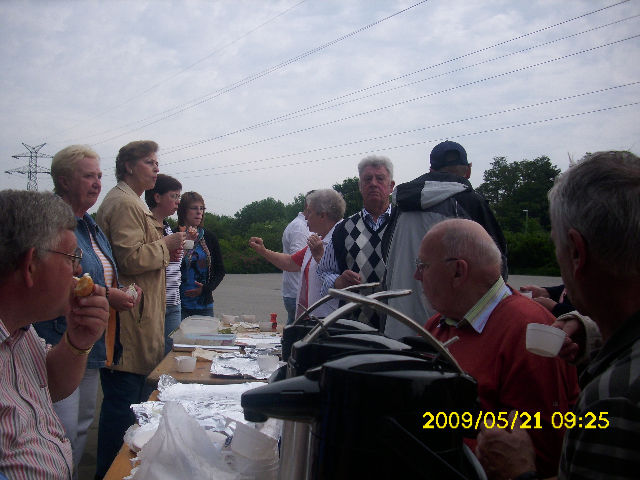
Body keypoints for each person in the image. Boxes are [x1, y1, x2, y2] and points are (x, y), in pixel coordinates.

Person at [476, 151, 640, 480]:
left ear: (577, 252)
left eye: (557, 246)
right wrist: (591, 331)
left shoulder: (614, 400)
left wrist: (517, 472)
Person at [416, 218, 579, 477]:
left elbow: (542, 457)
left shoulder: (530, 332)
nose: (417, 276)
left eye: (423, 266)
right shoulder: (438, 325)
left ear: (458, 271)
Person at [32, 145, 140, 479]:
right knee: (60, 430)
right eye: (88, 176)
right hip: (56, 339)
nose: (97, 183)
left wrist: (121, 291)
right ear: (64, 180)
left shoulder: (90, 224)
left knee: (80, 427)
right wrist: (109, 295)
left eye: (99, 176)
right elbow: (51, 275)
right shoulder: (49, 221)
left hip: (90, 342)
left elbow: (94, 274)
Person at [0, 190, 109, 480]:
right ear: (31, 265)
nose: (79, 269)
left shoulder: (20, 331)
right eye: (72, 257)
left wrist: (78, 341)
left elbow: (51, 385)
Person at [95, 140, 185, 478]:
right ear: (129, 167)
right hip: (127, 328)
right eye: (149, 162)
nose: (156, 168)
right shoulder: (124, 204)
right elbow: (130, 259)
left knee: (130, 406)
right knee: (123, 410)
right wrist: (165, 245)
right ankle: (109, 473)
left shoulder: (132, 203)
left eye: (156, 162)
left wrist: (164, 249)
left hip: (139, 321)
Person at [384, 140, 507, 339]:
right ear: (468, 170)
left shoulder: (402, 204)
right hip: (451, 331)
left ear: (431, 170)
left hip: (398, 324)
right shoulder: (471, 202)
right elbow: (497, 267)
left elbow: (386, 255)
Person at [317, 155, 396, 326]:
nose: (373, 183)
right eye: (367, 179)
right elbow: (324, 271)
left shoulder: (403, 224)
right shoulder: (343, 229)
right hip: (354, 327)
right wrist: (337, 281)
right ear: (360, 186)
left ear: (391, 186)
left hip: (398, 325)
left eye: (380, 178)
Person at [249, 189, 346, 319]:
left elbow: (349, 284)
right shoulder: (319, 240)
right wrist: (263, 251)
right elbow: (291, 263)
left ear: (322, 216)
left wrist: (320, 257)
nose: (305, 217)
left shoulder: (345, 240)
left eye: (309, 212)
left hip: (331, 322)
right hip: (313, 320)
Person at [145, 174, 185, 353]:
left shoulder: (168, 228)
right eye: (174, 196)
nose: (178, 202)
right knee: (152, 354)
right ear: (157, 197)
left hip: (173, 302)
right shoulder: (146, 226)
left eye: (179, 197)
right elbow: (141, 259)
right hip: (154, 304)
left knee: (172, 352)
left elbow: (172, 262)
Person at [177, 191, 225, 319]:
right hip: (177, 305)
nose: (199, 212)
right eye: (194, 208)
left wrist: (206, 289)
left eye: (202, 208)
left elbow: (220, 270)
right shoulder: (173, 234)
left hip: (204, 305)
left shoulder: (209, 237)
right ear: (183, 211)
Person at [281, 198, 311, 324]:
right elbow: (297, 261)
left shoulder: (302, 225)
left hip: (297, 292)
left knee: (294, 329)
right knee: (298, 331)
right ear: (309, 206)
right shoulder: (299, 227)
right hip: (297, 293)